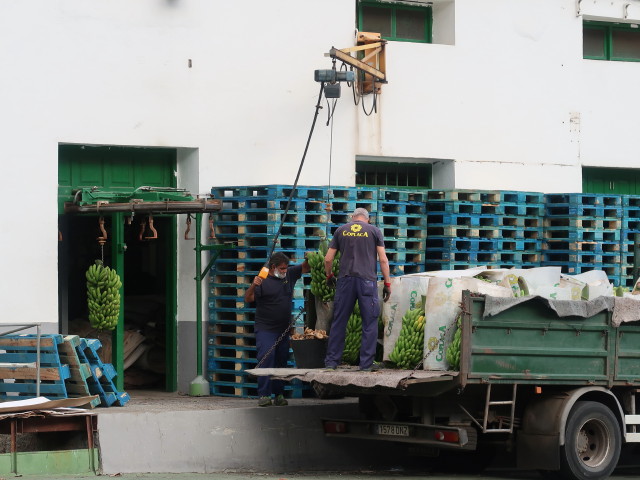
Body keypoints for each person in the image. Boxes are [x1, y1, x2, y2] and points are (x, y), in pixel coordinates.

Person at [323, 207, 391, 371]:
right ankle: (366, 364)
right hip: (367, 281)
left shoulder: (341, 230)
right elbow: (383, 260)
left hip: (345, 280)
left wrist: (329, 276)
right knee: (369, 322)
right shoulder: (374, 231)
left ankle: (332, 362)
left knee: (339, 321)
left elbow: (328, 258)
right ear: (367, 219)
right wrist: (387, 284)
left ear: (353, 218)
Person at [244, 252, 309, 406]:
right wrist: (254, 284)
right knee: (266, 359)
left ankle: (279, 394)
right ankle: (264, 395)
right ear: (273, 267)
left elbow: (306, 267)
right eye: (282, 268)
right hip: (265, 328)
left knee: (281, 361)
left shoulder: (290, 275)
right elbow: (248, 298)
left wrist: (310, 257)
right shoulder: (263, 281)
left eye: (286, 268)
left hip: (283, 329)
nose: (285, 271)